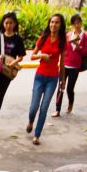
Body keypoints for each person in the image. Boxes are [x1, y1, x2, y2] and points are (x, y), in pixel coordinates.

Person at [24, 13, 66, 145]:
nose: (53, 25)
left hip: (53, 78)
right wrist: (42, 56)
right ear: (49, 24)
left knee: (44, 107)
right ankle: (31, 121)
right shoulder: (43, 38)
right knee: (34, 107)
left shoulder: (62, 42)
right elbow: (32, 56)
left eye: (57, 22)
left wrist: (62, 80)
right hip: (40, 76)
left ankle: (37, 135)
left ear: (60, 25)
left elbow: (63, 62)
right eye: (52, 22)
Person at [53, 13, 87, 118]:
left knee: (70, 88)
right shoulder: (68, 35)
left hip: (75, 66)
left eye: (78, 23)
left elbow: (85, 52)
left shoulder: (85, 36)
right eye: (75, 23)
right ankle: (57, 109)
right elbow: (62, 48)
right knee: (60, 87)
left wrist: (78, 46)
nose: (77, 25)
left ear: (81, 23)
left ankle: (70, 103)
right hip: (65, 64)